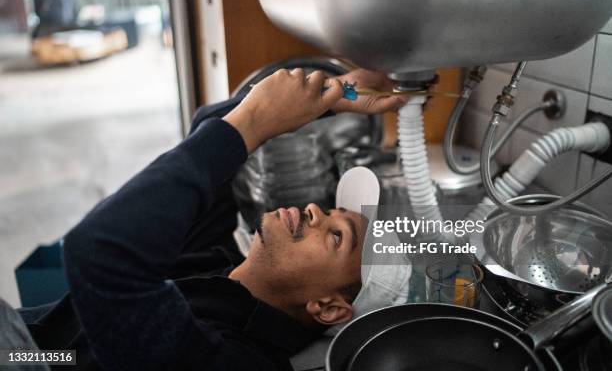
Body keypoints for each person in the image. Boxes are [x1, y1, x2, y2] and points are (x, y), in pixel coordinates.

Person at [13, 68, 409, 370]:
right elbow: (209, 129)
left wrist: (252, 125)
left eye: (336, 237)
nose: (313, 212)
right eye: (329, 211)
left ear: (327, 307)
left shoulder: (231, 360)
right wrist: (334, 94)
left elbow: (99, 255)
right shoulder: (217, 268)